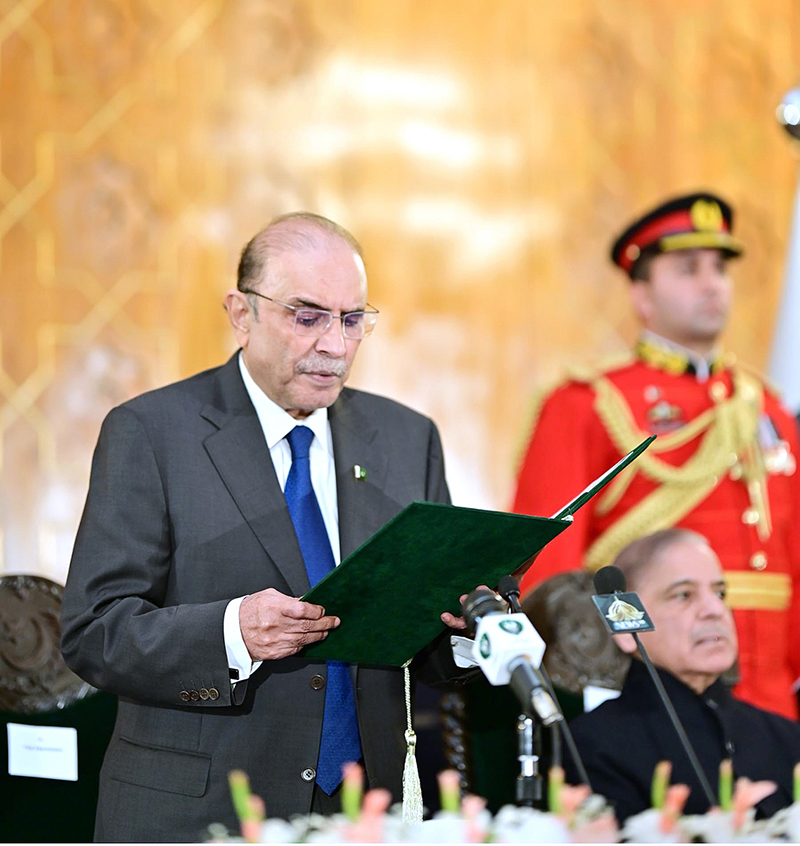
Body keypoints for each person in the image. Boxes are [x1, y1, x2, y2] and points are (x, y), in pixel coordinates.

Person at [60, 212, 472, 842]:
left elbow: (424, 633)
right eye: (307, 317)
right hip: (203, 809)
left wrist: (470, 629)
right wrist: (232, 633)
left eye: (353, 320)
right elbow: (95, 632)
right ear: (241, 312)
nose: (334, 345)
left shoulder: (407, 438)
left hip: (368, 810)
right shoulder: (152, 432)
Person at [512, 192, 800, 719]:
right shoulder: (589, 403)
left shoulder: (767, 409)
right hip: (653, 694)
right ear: (641, 294)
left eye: (719, 268)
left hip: (776, 699)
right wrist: (608, 679)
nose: (712, 283)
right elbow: (549, 570)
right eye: (688, 269)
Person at [566, 529, 800, 823]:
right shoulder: (593, 745)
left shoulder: (787, 738)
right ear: (628, 629)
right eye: (684, 595)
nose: (715, 610)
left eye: (720, 593)